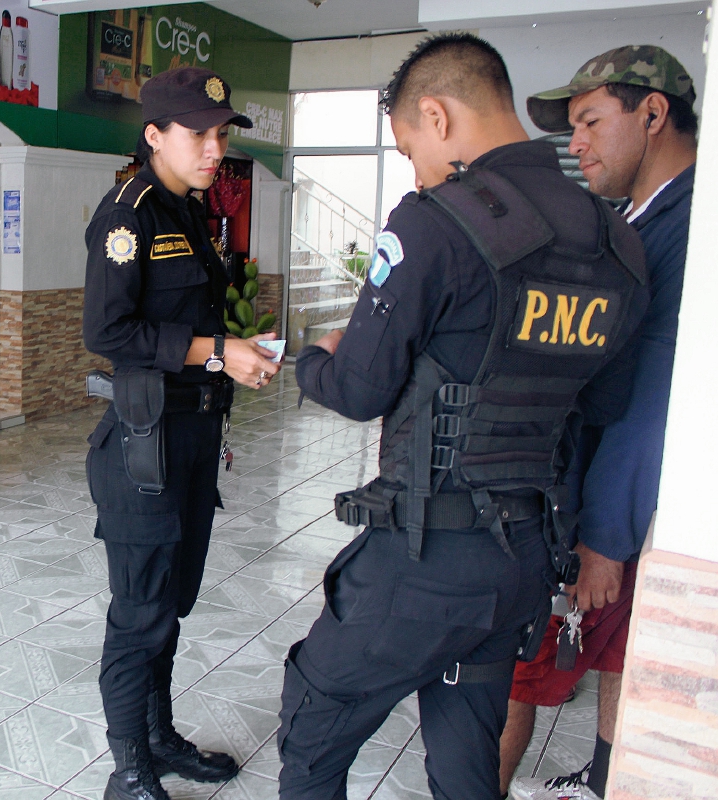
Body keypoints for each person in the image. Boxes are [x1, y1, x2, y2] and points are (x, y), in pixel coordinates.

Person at [279, 33, 650, 800]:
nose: (413, 168)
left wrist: (314, 358)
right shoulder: (617, 241)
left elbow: (358, 389)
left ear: (437, 115)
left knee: (314, 721)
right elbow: (604, 406)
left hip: (422, 561)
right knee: (465, 761)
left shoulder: (435, 222)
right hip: (519, 564)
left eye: (409, 146)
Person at [502, 45, 697, 800]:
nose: (573, 143)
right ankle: (607, 780)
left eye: (588, 121)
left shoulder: (689, 230)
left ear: (653, 114)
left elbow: (653, 394)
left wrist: (604, 539)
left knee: (524, 672)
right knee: (621, 654)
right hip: (601, 491)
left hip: (621, 508)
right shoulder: (634, 219)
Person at [82, 66, 282, 800]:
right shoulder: (127, 215)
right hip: (143, 446)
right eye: (200, 133)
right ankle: (128, 766)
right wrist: (214, 351)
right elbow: (106, 331)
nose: (214, 147)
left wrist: (235, 352)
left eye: (221, 133)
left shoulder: (189, 211)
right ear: (155, 135)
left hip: (193, 437)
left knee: (171, 606)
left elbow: (192, 323)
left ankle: (161, 739)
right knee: (138, 614)